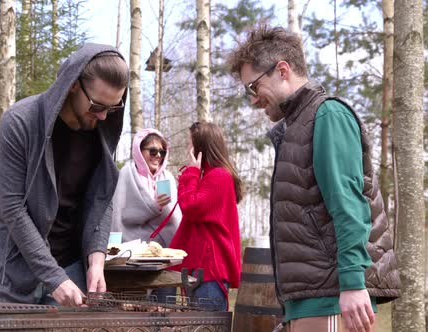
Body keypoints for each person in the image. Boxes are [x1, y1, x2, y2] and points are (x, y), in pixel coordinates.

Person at [228, 26, 400, 332]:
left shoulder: (327, 115)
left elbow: (349, 206)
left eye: (254, 87)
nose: (253, 100)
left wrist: (351, 283)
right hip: (312, 300)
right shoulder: (296, 126)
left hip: (333, 298)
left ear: (282, 70)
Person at [0, 44, 129, 307]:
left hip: (70, 267)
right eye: (97, 106)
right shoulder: (20, 122)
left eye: (113, 108)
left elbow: (101, 197)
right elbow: (12, 207)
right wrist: (53, 276)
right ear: (72, 85)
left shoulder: (101, 131)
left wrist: (96, 259)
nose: (103, 116)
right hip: (11, 270)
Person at [164, 122, 243, 311]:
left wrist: (190, 174)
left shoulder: (219, 176)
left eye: (190, 144)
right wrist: (190, 179)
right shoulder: (210, 176)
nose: (187, 149)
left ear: (201, 148)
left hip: (209, 270)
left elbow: (191, 207)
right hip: (202, 270)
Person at [111, 128, 182, 247]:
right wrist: (155, 206)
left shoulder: (167, 177)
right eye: (153, 151)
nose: (158, 155)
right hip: (132, 244)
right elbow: (119, 216)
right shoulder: (127, 174)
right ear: (139, 151)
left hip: (165, 247)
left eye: (162, 152)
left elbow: (175, 218)